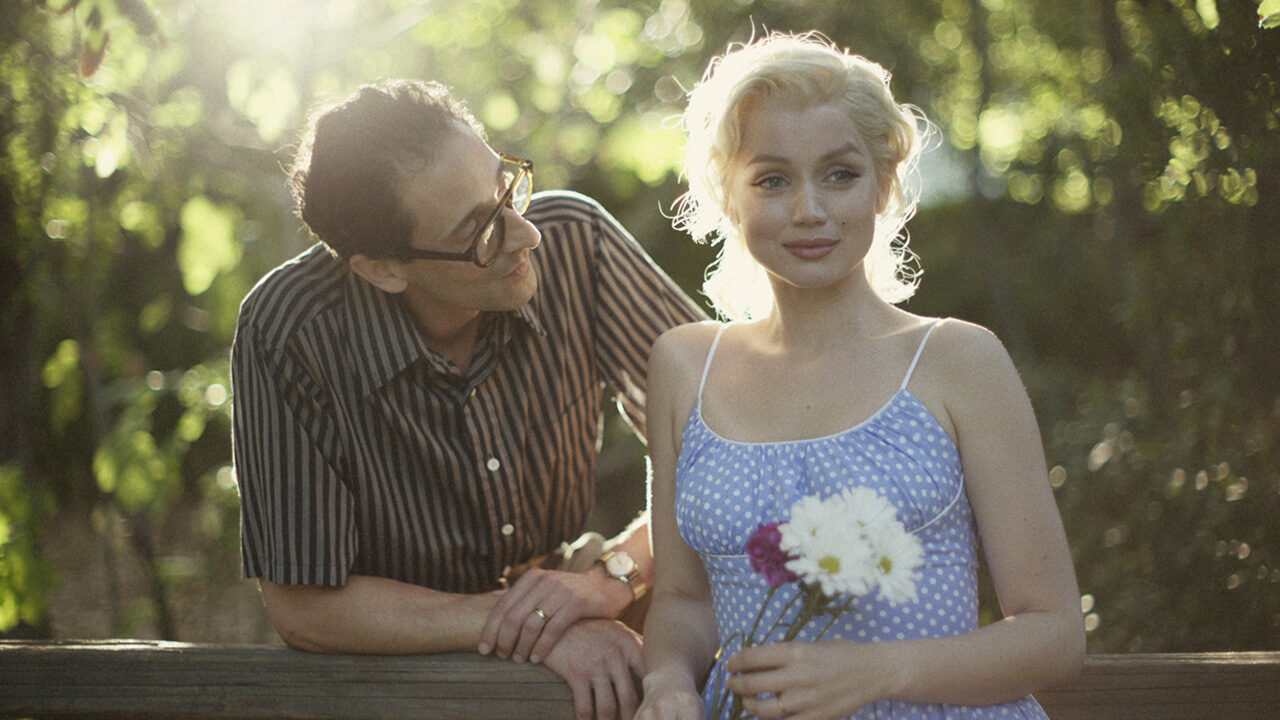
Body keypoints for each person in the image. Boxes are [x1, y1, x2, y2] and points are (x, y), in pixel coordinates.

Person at [636, 33, 1084, 719]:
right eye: (773, 179)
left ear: (884, 184)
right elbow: (685, 601)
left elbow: (1055, 635)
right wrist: (667, 682)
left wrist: (878, 671)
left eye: (840, 173)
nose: (809, 209)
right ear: (726, 193)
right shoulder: (683, 366)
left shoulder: (958, 360)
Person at [230, 79, 705, 720]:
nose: (524, 235)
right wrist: (538, 627)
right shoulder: (290, 329)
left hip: (580, 582)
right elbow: (306, 607)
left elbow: (733, 440)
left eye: (506, 188)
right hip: (395, 667)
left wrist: (608, 581)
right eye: (480, 230)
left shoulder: (575, 240)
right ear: (382, 269)